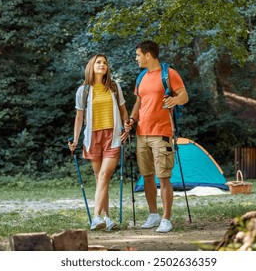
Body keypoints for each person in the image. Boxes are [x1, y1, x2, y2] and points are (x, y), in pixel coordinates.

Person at [125, 40, 189, 233]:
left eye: (138, 55)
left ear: (148, 55)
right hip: (142, 134)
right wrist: (131, 120)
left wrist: (174, 100)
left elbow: (184, 96)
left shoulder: (169, 74)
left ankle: (166, 219)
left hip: (161, 132)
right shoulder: (141, 77)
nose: (136, 58)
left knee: (164, 177)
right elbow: (139, 102)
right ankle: (153, 214)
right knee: (147, 176)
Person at [68, 54, 129, 231]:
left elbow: (123, 111)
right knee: (100, 179)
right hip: (92, 137)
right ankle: (107, 218)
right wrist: (76, 139)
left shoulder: (114, 87)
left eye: (105, 63)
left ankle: (96, 217)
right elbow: (79, 117)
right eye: (99, 62)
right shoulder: (83, 90)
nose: (102, 65)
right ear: (91, 66)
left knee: (103, 176)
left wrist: (126, 129)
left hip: (113, 136)